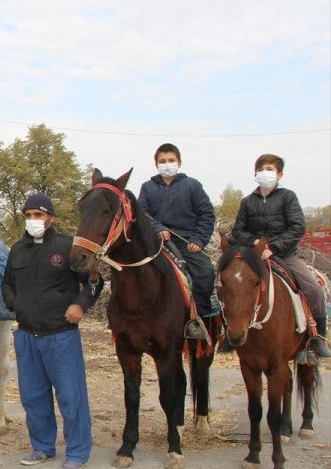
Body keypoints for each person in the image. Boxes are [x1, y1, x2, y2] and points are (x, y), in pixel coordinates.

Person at [2, 193, 102, 469]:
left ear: (51, 218)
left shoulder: (68, 246)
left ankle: (78, 451)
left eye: (39, 215)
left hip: (61, 335)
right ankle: (43, 447)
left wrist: (80, 305)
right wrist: (16, 304)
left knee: (71, 396)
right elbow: (7, 285)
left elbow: (95, 282)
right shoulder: (17, 250)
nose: (33, 220)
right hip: (27, 335)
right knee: (33, 396)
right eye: (29, 215)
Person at [231, 154, 330, 357]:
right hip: (253, 257)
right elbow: (238, 231)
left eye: (270, 169)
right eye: (261, 169)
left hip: (285, 255)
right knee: (230, 286)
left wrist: (273, 247)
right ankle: (229, 334)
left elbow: (297, 227)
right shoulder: (247, 202)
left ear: (279, 174)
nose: (265, 173)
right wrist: (255, 243)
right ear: (255, 173)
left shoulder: (288, 197)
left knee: (314, 289)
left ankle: (318, 336)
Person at [138, 143, 218, 340]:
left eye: (171, 160)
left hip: (187, 241)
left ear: (179, 162)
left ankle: (198, 319)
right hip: (156, 242)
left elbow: (206, 214)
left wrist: (198, 240)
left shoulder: (192, 185)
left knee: (205, 272)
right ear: (156, 164)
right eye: (162, 161)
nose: (167, 164)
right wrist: (158, 229)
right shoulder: (147, 187)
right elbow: (142, 214)